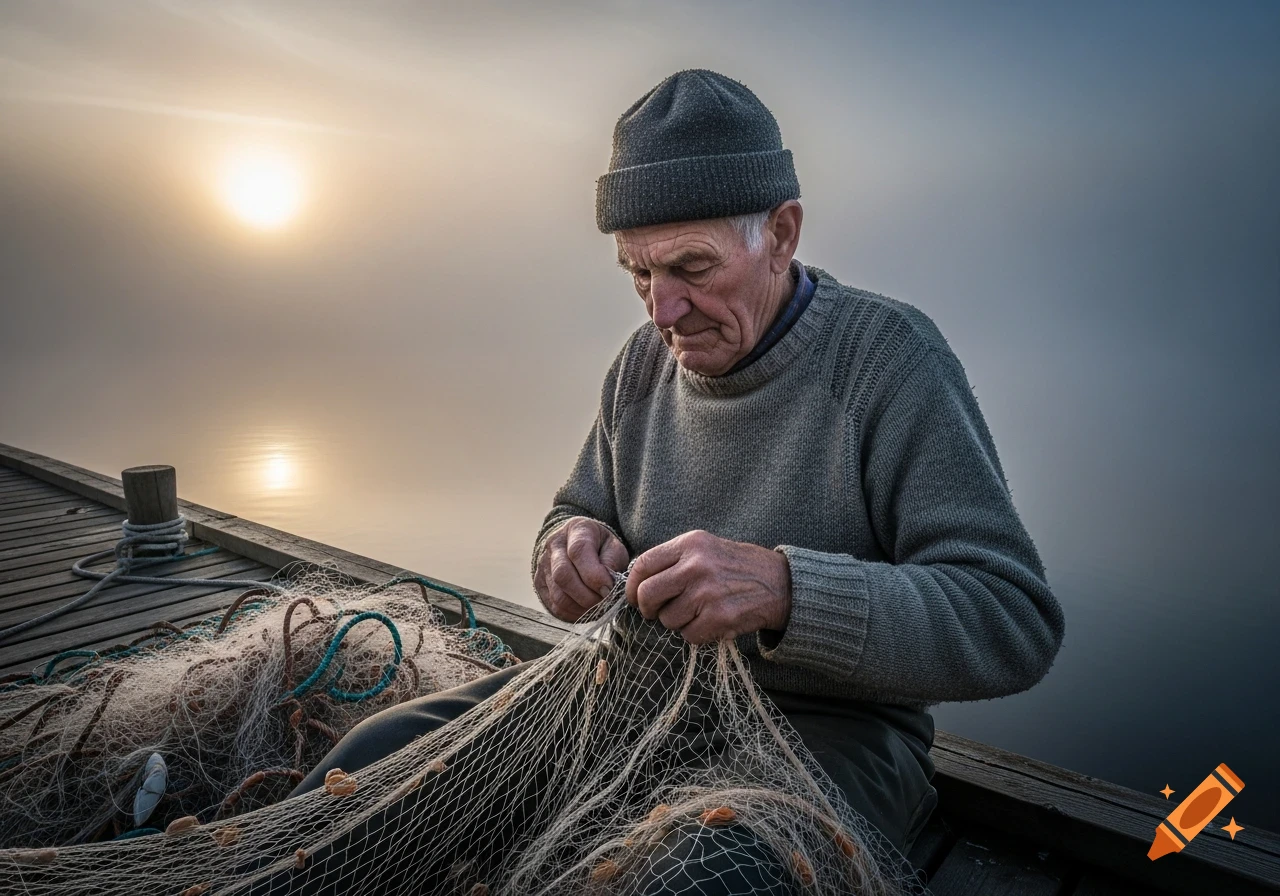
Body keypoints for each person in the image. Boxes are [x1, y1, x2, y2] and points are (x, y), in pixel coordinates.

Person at [292, 69, 1065, 894]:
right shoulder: (641, 367)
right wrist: (565, 550)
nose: (662, 311)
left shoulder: (888, 359)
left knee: (707, 876)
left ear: (782, 231)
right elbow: (576, 508)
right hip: (624, 698)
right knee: (375, 772)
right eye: (637, 273)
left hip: (834, 734)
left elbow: (1010, 620)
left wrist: (787, 590)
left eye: (693, 268)